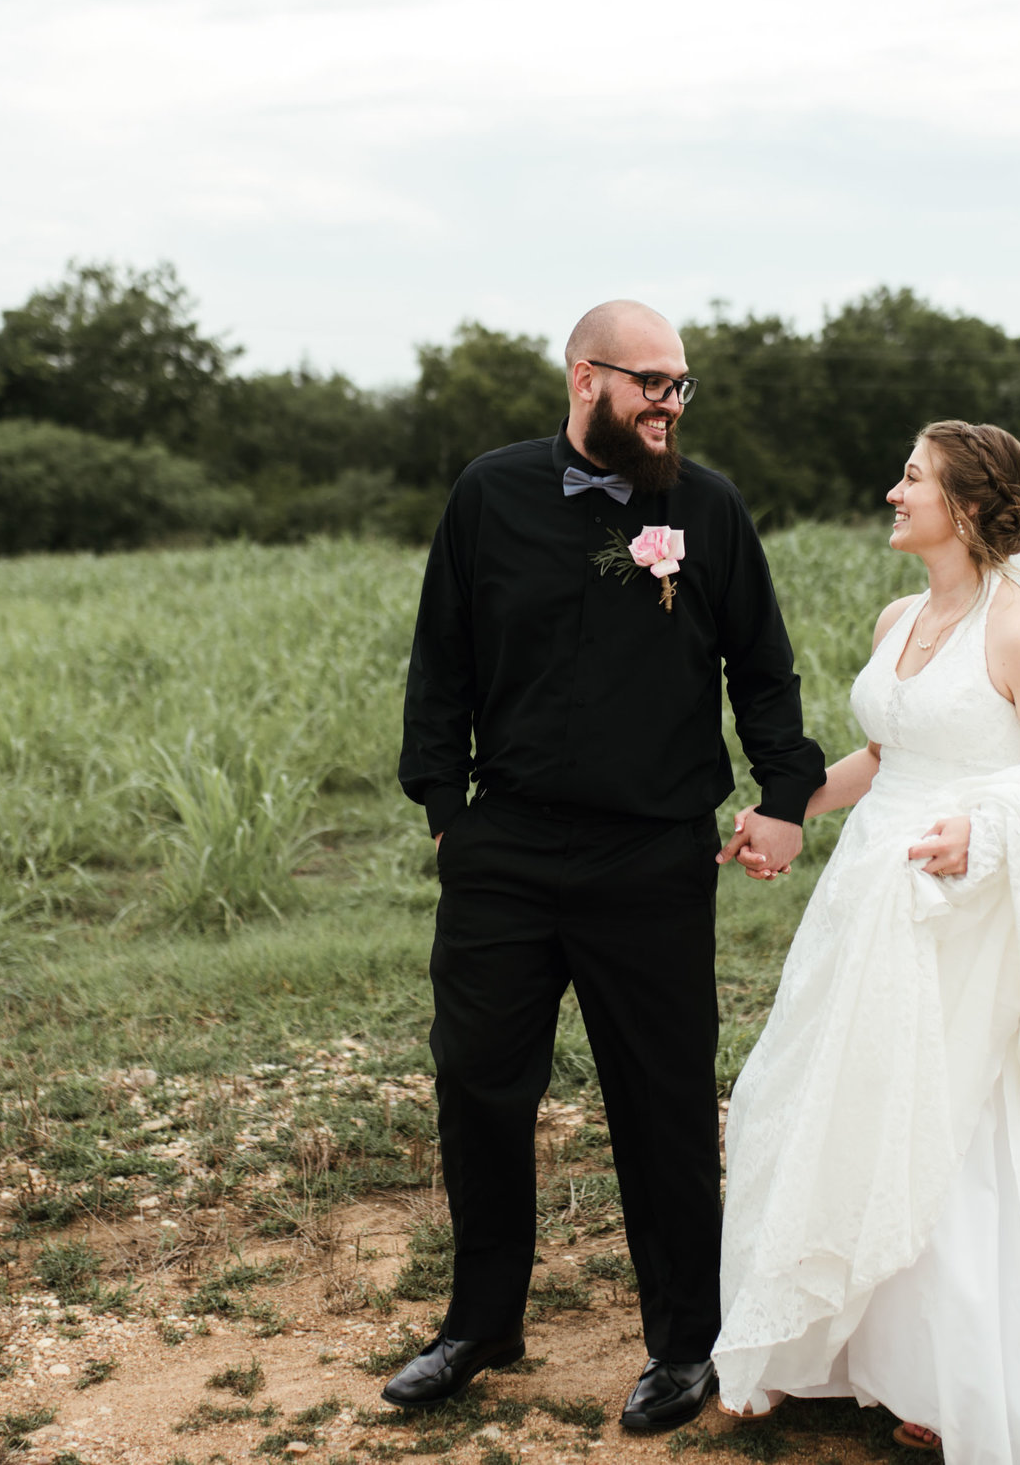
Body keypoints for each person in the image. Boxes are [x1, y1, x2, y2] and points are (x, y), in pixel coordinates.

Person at [712, 422, 1020, 1463]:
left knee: (949, 1125)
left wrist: (991, 831)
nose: (892, 492)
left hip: (967, 904)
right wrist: (788, 811)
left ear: (968, 508)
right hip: (867, 898)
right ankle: (856, 1346)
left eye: (912, 478)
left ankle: (962, 1370)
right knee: (835, 1095)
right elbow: (891, 752)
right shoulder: (902, 615)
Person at [392, 299, 828, 1432]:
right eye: (650, 383)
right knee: (478, 1087)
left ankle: (685, 1344)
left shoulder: (707, 506)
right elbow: (440, 660)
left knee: (663, 1103)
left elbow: (762, 668)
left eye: (681, 385)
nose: (668, 405)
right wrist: (447, 811)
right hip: (506, 848)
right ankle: (480, 1322)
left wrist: (783, 794)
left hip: (650, 855)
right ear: (584, 378)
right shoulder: (488, 493)